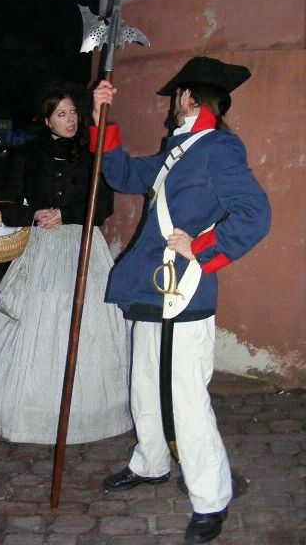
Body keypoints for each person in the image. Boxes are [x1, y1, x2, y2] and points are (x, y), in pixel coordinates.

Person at [91, 57, 271, 544]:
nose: (172, 104)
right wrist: (102, 119)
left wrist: (202, 249)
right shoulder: (178, 151)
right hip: (151, 287)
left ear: (190, 97)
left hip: (183, 292)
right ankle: (150, 462)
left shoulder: (219, 149)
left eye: (177, 96)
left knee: (187, 400)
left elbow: (255, 214)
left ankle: (211, 497)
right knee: (145, 385)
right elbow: (123, 174)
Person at [0, 83, 133, 444]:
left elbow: (104, 207)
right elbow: (7, 207)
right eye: (61, 114)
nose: (70, 120)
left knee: (87, 321)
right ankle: (31, 409)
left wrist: (67, 214)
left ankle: (88, 412)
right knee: (40, 321)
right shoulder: (27, 155)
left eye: (73, 113)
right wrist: (32, 214)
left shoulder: (91, 152)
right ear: (47, 120)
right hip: (41, 246)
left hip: (82, 244)